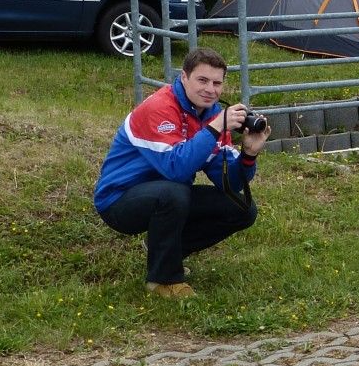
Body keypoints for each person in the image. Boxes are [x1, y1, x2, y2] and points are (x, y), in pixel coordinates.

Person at [94, 47, 270, 298]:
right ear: (184, 77)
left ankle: (163, 251)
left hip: (168, 195)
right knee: (174, 192)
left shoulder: (213, 115)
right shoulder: (159, 107)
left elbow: (228, 184)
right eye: (202, 80)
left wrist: (248, 155)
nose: (210, 89)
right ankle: (163, 280)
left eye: (217, 83)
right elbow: (175, 170)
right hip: (118, 200)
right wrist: (214, 128)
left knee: (242, 208)